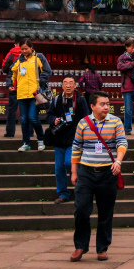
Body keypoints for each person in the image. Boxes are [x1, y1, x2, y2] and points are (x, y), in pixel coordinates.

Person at [70, 91, 127, 262]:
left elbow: (122, 143)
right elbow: (76, 147)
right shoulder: (83, 123)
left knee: (105, 212)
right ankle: (80, 246)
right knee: (81, 209)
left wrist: (118, 161)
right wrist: (74, 171)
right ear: (92, 106)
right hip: (86, 172)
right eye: (102, 104)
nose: (106, 107)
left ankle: (102, 248)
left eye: (108, 104)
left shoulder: (116, 121)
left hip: (107, 173)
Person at [47, 75, 91, 203]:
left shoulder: (80, 100)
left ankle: (79, 189)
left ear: (75, 85)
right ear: (61, 86)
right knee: (59, 168)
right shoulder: (56, 100)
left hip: (74, 140)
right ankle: (63, 193)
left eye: (71, 83)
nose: (68, 85)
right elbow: (48, 115)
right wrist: (53, 120)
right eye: (65, 83)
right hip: (59, 139)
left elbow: (86, 118)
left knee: (68, 163)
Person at [11, 38, 51, 152]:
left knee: (32, 117)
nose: (24, 51)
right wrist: (10, 83)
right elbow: (11, 72)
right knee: (24, 120)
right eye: (22, 49)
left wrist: (40, 83)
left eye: (26, 49)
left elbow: (47, 71)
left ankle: (41, 139)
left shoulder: (39, 57)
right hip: (22, 94)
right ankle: (26, 142)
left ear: (31, 47)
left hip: (35, 94)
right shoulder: (19, 60)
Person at [116, 38, 134, 134]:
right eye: (132, 48)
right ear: (126, 47)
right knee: (128, 110)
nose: (133, 50)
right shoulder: (122, 58)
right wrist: (132, 64)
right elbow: (119, 67)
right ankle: (127, 129)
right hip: (127, 87)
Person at [0, 40, 21, 138]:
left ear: (15, 44)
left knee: (12, 109)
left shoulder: (12, 53)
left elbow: (4, 67)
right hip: (28, 88)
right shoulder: (31, 54)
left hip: (14, 85)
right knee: (28, 109)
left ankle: (10, 132)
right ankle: (29, 132)